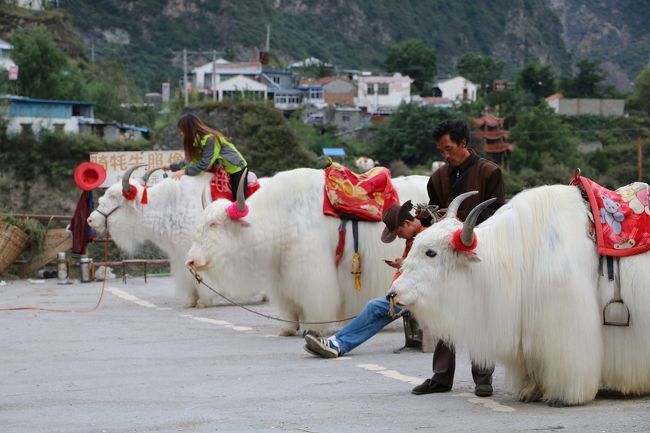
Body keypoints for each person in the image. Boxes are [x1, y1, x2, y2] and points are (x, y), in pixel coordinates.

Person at [410, 119, 505, 398]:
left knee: (479, 314)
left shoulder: (490, 172)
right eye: (441, 151)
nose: (445, 155)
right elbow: (432, 222)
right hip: (445, 258)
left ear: (464, 143)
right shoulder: (437, 178)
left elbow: (497, 215)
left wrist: (461, 225)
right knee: (443, 313)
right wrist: (428, 217)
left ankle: (483, 377)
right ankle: (441, 377)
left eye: (449, 149)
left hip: (479, 252)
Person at [304, 200, 426, 358]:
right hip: (411, 291)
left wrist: (406, 264)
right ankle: (336, 342)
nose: (399, 238)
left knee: (374, 307)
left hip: (423, 293)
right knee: (377, 311)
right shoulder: (414, 238)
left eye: (398, 233)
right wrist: (399, 276)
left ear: (407, 223)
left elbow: (430, 268)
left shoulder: (426, 238)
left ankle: (337, 343)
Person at [163, 113, 248, 198]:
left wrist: (184, 171)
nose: (181, 133)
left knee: (239, 203)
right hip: (223, 171)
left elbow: (205, 164)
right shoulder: (197, 141)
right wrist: (171, 166)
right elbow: (192, 161)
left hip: (236, 169)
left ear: (188, 129)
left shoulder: (210, 140)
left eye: (182, 130)